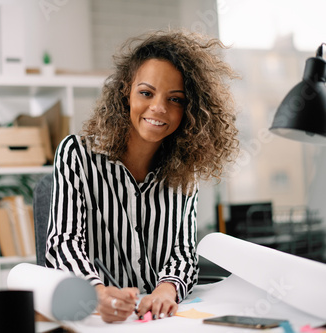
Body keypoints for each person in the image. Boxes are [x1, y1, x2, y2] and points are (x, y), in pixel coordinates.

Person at [44, 29, 239, 323]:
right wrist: (96, 292)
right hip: (98, 319)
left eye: (176, 99)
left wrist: (167, 289)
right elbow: (64, 242)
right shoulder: (78, 155)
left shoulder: (185, 172)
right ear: (126, 91)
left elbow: (183, 252)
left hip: (159, 321)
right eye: (146, 93)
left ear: (190, 109)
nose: (159, 108)